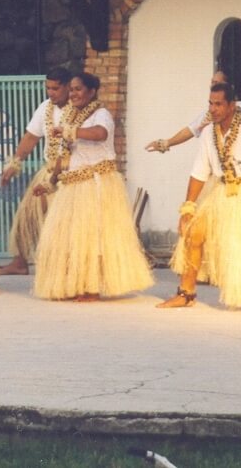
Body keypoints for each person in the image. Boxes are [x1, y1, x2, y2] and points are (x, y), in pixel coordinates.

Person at [157, 82, 241, 309]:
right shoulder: (208, 132)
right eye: (210, 104)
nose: (212, 109)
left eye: (218, 104)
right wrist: (188, 207)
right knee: (192, 232)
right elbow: (199, 173)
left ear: (232, 106)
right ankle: (186, 293)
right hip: (220, 191)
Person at [32, 73, 153, 301]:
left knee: (92, 238)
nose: (74, 94)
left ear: (92, 91)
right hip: (72, 185)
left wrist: (70, 131)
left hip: (97, 185)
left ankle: (92, 288)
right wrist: (50, 182)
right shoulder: (71, 115)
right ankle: (71, 285)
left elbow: (100, 134)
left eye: (79, 89)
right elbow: (65, 156)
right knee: (65, 238)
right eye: (73, 89)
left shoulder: (101, 114)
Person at [0, 68, 72, 275]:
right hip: (47, 171)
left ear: (67, 87)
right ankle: (20, 262)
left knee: (62, 224)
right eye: (48, 88)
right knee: (27, 214)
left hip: (71, 174)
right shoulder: (45, 107)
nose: (51, 92)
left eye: (56, 88)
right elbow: (31, 137)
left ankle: (64, 267)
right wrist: (14, 163)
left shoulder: (80, 109)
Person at [145, 69, 241, 154]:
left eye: (216, 82)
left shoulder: (239, 105)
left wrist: (231, 118)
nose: (212, 85)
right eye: (212, 82)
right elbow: (189, 130)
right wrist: (165, 143)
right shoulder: (209, 113)